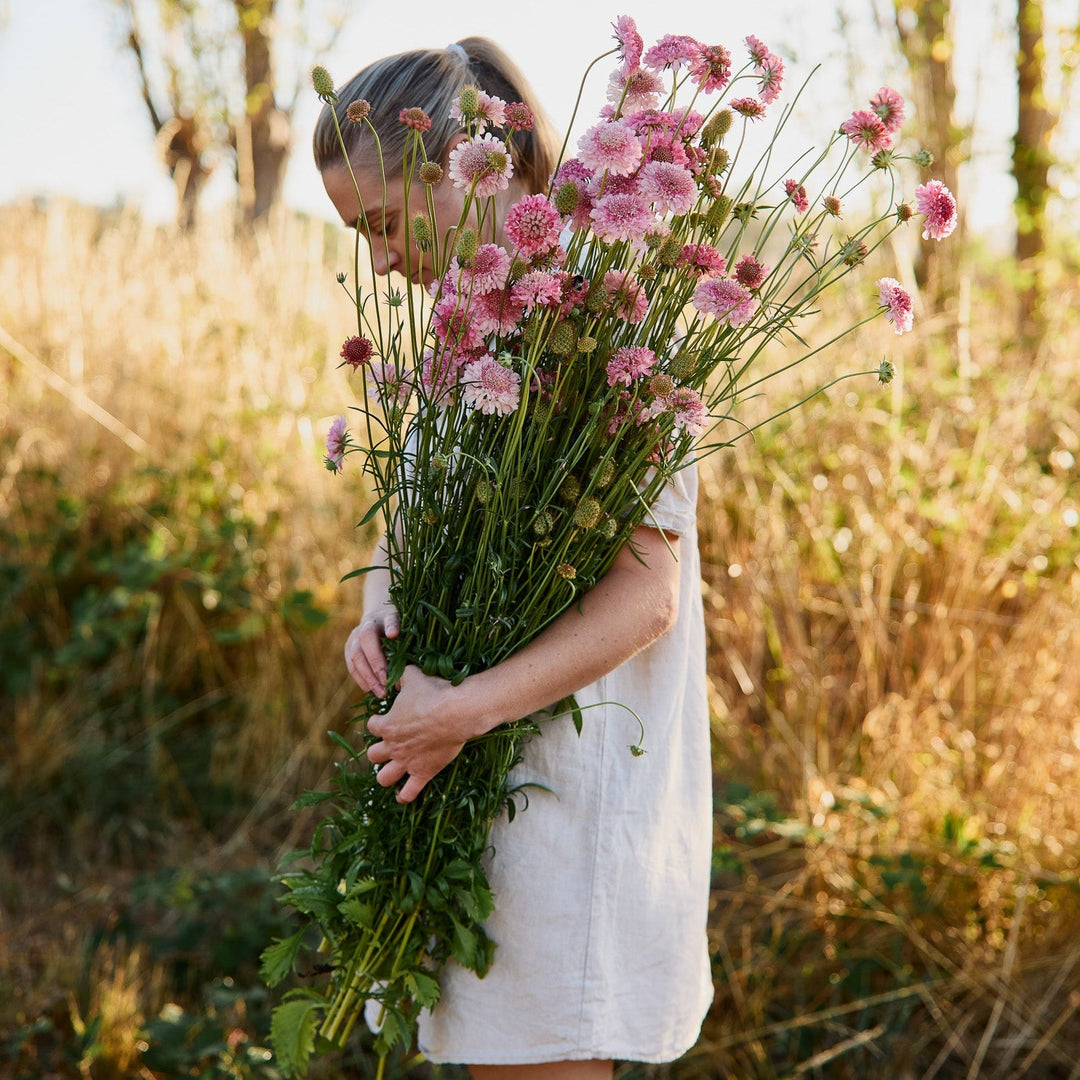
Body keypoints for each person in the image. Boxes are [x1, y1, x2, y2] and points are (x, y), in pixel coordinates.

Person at [313, 38, 713, 1080]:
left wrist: (463, 711)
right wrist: (380, 602)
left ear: (465, 167)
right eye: (358, 236)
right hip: (473, 799)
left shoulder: (605, 323)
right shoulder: (462, 337)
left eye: (386, 225)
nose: (380, 263)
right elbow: (423, 523)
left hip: (564, 812)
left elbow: (646, 598)